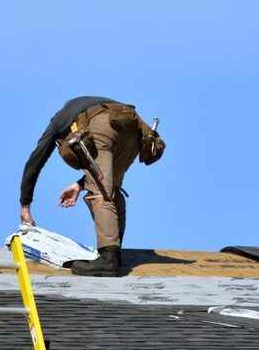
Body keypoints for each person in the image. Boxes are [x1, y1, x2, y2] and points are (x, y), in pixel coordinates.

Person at [19, 96, 162, 277]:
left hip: (103, 125)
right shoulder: (89, 104)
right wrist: (79, 185)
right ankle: (115, 253)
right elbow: (104, 175)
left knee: (100, 193)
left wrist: (25, 204)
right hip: (135, 129)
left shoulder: (59, 120)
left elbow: (36, 159)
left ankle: (108, 260)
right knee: (111, 187)